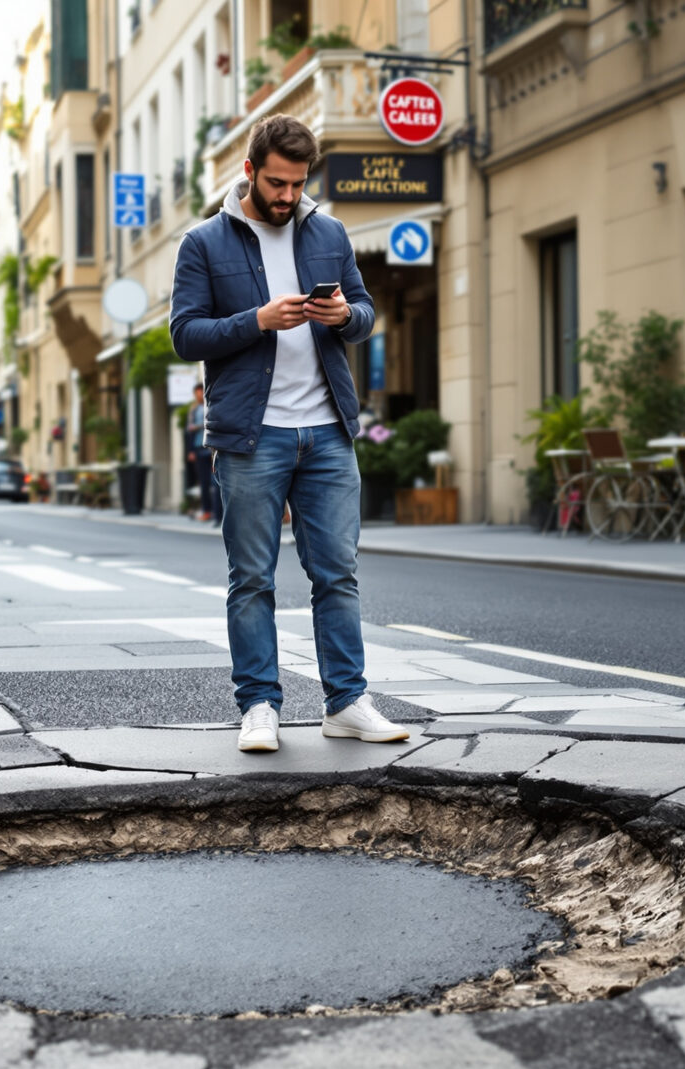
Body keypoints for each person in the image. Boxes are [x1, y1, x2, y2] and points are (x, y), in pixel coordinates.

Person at [169, 113, 407, 754]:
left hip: (327, 430)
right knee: (252, 578)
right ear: (250, 171)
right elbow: (185, 334)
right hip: (252, 437)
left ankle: (347, 703)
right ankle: (259, 707)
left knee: (338, 574)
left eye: (298, 184)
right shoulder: (203, 243)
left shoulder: (329, 232)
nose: (288, 195)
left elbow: (365, 313)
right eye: (277, 183)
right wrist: (258, 320)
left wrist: (344, 315)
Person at [185, 383, 221, 523]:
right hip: (198, 448)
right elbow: (189, 431)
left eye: (201, 392)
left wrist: (198, 426)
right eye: (197, 393)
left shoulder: (211, 404)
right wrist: (190, 451)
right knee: (204, 483)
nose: (199, 395)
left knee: (215, 481)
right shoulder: (194, 409)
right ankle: (207, 511)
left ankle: (218, 513)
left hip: (211, 449)